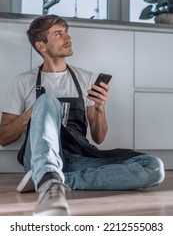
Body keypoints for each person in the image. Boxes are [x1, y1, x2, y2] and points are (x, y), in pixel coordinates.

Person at [0, 15, 165, 216]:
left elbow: (98, 138)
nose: (68, 37)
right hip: (38, 156)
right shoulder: (23, 82)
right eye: (58, 34)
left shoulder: (85, 79)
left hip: (78, 158)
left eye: (66, 32)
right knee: (46, 100)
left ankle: (51, 180)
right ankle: (47, 175)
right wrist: (32, 112)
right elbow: (4, 138)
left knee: (153, 167)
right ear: (41, 46)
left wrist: (100, 107)